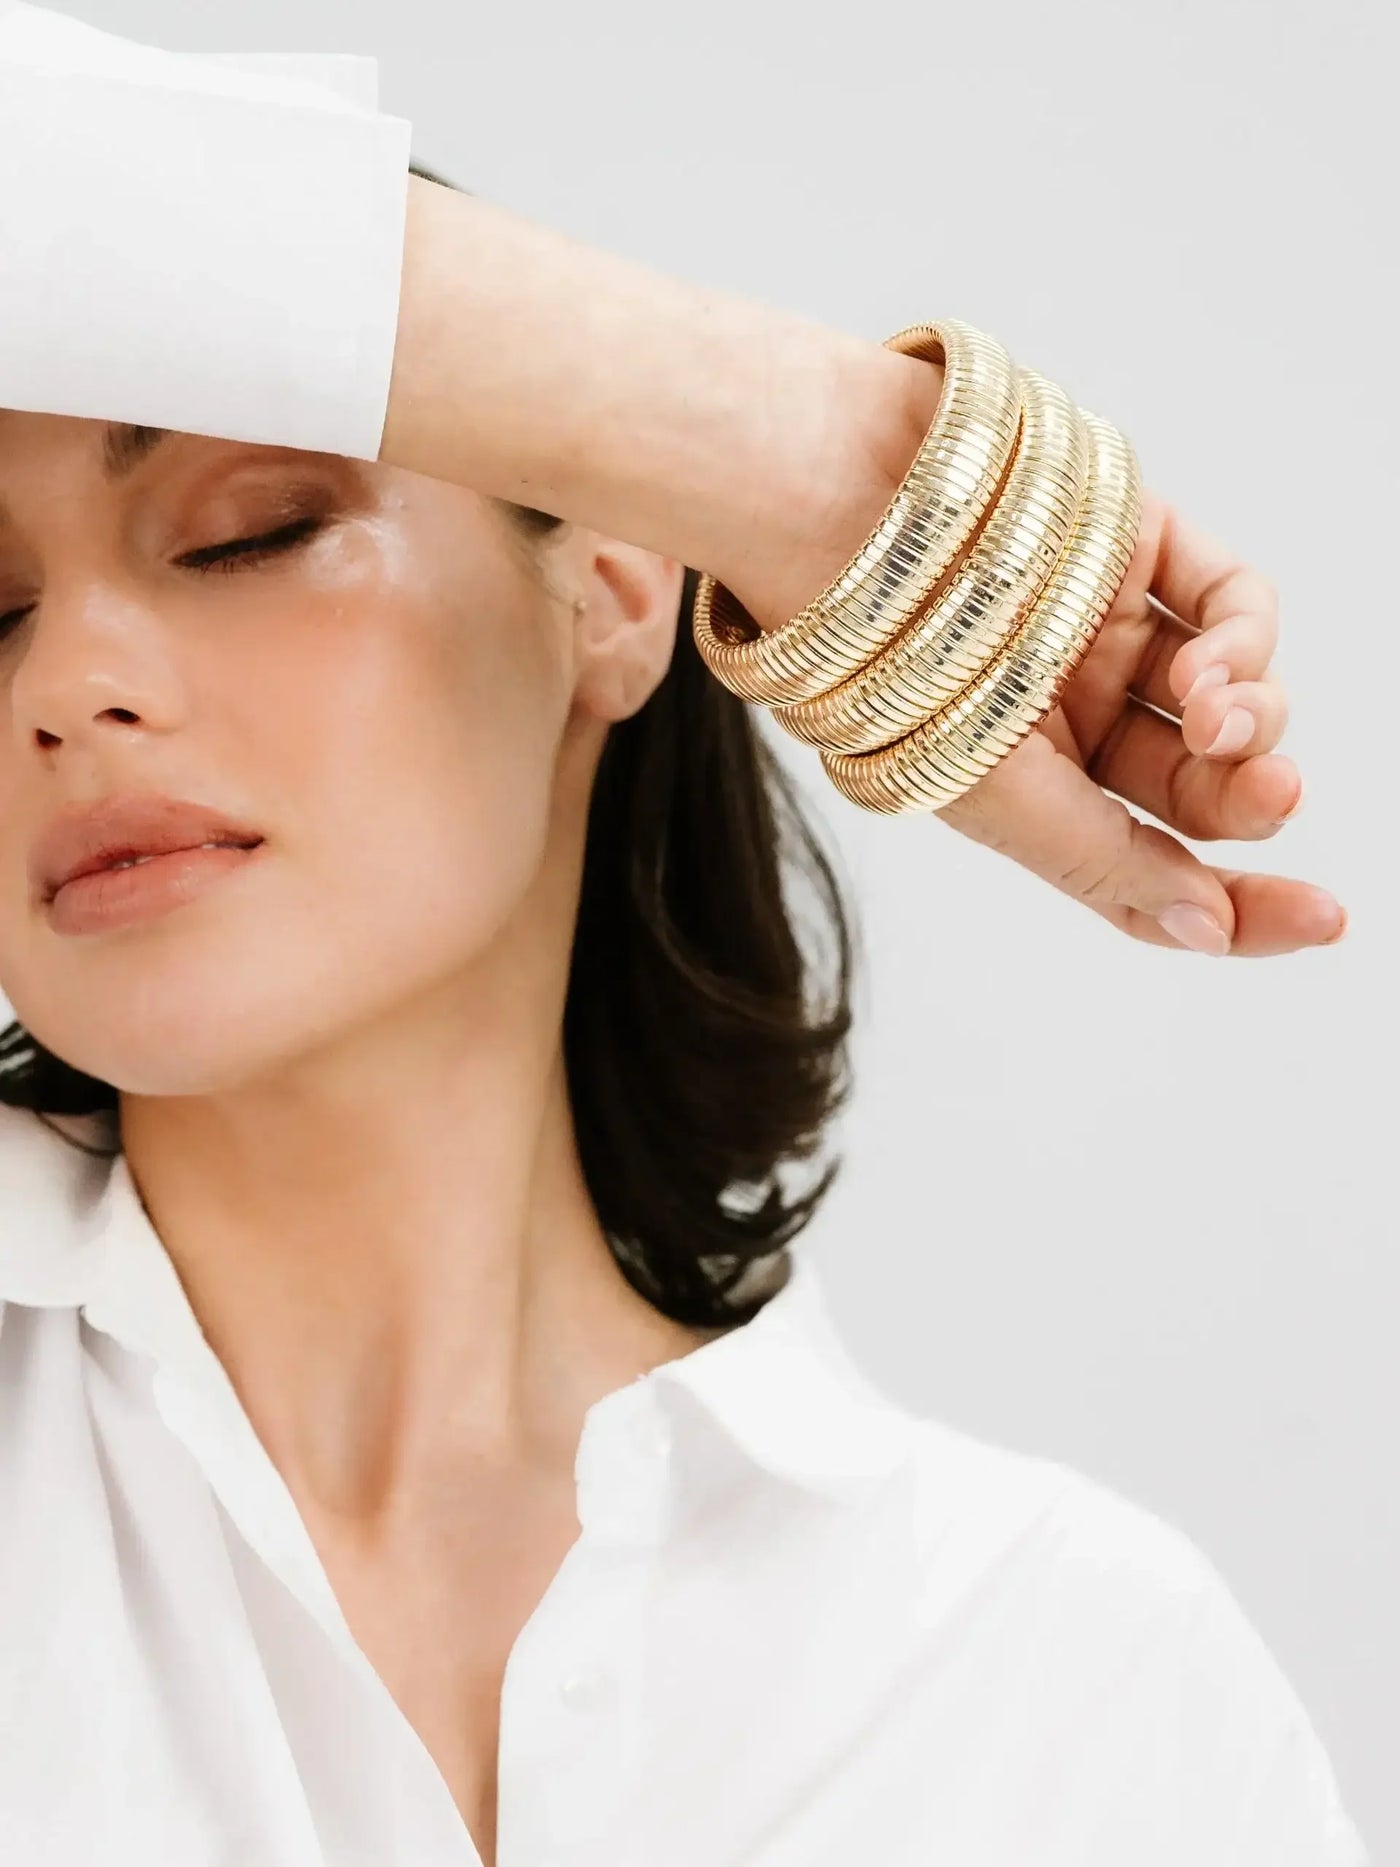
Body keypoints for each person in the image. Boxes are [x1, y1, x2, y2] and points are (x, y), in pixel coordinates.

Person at [0, 134, 1366, 1867]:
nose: (67, 683)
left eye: (249, 530)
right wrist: (790, 437)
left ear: (616, 586)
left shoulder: (1072, 1687)